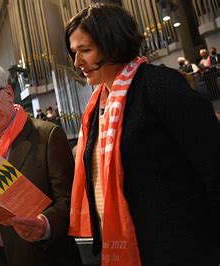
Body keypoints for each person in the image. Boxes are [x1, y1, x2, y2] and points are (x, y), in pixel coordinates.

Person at [65, 4, 220, 265]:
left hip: (178, 247)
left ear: (113, 43)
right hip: (128, 245)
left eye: (86, 50)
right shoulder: (96, 106)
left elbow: (213, 163)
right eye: (73, 53)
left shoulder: (160, 85)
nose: (77, 63)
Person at [0, 63, 81, 266]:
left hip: (37, 254)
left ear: (8, 92)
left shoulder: (48, 135)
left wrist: (45, 223)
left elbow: (69, 199)